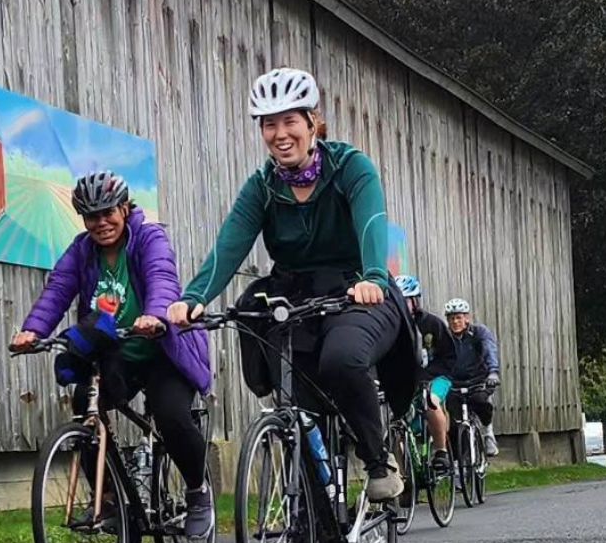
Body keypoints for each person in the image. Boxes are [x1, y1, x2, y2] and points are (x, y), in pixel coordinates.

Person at [168, 67, 416, 503]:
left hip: (356, 289)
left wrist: (375, 277)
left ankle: (377, 460)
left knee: (341, 361)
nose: (280, 134)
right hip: (296, 295)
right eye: (269, 124)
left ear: (312, 123)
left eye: (290, 121)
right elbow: (229, 245)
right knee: (296, 408)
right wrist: (193, 297)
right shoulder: (262, 186)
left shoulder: (350, 167)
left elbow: (373, 224)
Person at [12, 172, 216, 538]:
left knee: (170, 415)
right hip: (118, 349)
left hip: (163, 350)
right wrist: (33, 331)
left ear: (124, 208)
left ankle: (198, 493)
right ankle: (109, 503)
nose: (101, 223)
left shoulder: (149, 237)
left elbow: (161, 277)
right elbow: (57, 290)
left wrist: (155, 314)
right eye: (92, 216)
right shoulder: (81, 251)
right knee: (86, 407)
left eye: (108, 213)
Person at [399, 275, 455, 473]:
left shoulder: (433, 324)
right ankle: (406, 472)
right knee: (398, 419)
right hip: (407, 381)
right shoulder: (392, 327)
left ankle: (441, 452)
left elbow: (448, 356)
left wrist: (429, 376)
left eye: (405, 300)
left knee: (431, 402)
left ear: (415, 301)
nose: (402, 306)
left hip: (437, 377)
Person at [440, 298, 502, 457]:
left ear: (466, 318)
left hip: (478, 381)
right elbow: (436, 358)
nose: (455, 322)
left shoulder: (479, 333)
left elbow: (490, 351)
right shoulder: (444, 337)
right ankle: (457, 465)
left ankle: (488, 433)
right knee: (453, 425)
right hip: (454, 384)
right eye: (451, 318)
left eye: (459, 317)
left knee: (481, 402)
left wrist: (493, 372)